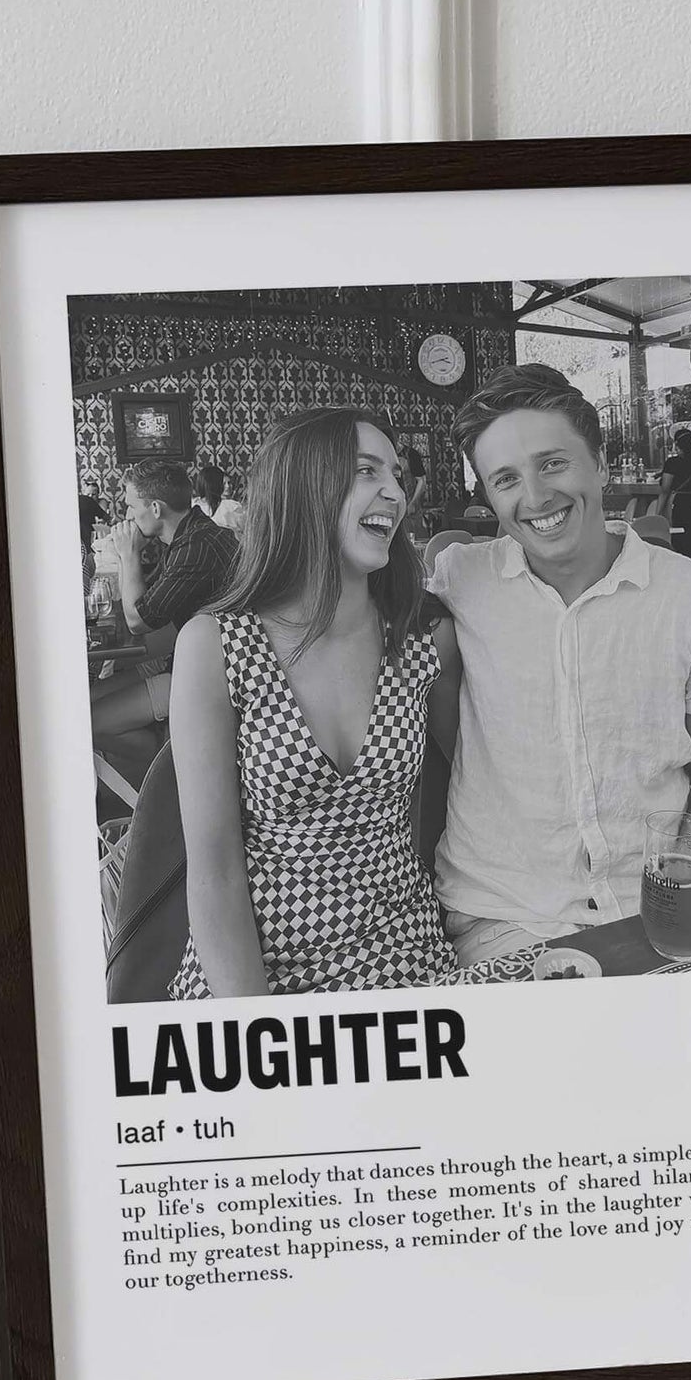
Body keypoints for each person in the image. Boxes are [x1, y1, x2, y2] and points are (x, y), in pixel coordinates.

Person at [427, 363, 691, 965]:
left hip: (662, 889)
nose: (536, 497)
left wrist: (684, 901)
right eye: (505, 479)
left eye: (553, 462)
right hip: (509, 909)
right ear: (487, 495)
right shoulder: (458, 583)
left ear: (600, 464)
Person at [168, 408, 456, 997]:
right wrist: (257, 1028)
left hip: (401, 945)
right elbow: (215, 869)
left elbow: (483, 774)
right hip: (254, 958)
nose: (395, 492)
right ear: (302, 488)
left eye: (396, 474)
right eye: (366, 471)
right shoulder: (215, 643)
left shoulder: (421, 634)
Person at [90, 459, 238, 751]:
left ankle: (174, 765)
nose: (127, 515)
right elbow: (137, 602)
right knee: (89, 698)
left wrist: (129, 555)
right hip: (181, 660)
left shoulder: (196, 548)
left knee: (90, 723)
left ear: (156, 509)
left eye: (131, 506)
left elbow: (137, 621)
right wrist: (124, 556)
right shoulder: (190, 536)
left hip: (210, 675)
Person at [658, 427, 691, 559]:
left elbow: (665, 489)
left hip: (681, 504)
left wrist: (658, 513)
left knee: (681, 541)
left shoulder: (672, 463)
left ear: (676, 444)